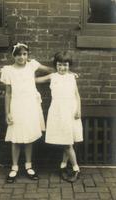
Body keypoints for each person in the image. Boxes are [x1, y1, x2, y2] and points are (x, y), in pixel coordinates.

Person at [0, 42, 54, 183]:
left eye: (24, 54)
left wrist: (66, 72)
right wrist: (8, 113)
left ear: (27, 55)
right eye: (18, 54)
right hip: (17, 106)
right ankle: (14, 168)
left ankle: (29, 166)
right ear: (14, 55)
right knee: (16, 138)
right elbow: (8, 94)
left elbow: (50, 70)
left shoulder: (32, 65)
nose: (21, 57)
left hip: (31, 105)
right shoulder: (8, 70)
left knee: (29, 136)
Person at [36, 51, 83, 183]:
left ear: (69, 66)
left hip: (71, 111)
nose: (63, 68)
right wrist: (25, 74)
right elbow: (35, 80)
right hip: (58, 112)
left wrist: (79, 110)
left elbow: (77, 95)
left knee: (68, 142)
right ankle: (63, 166)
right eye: (60, 65)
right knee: (66, 141)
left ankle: (75, 169)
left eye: (66, 65)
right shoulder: (53, 76)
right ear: (56, 65)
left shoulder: (72, 77)